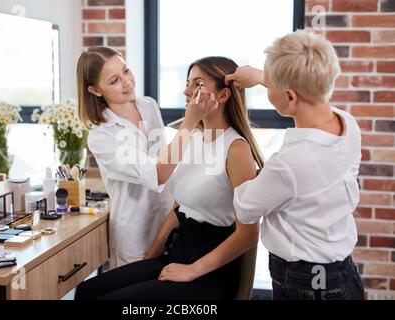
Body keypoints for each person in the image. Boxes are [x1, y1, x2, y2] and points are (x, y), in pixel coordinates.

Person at [74, 56, 263, 300]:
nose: (186, 91)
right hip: (178, 250)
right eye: (187, 83)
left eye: (197, 85)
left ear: (223, 95)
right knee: (87, 291)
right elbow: (179, 206)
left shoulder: (236, 149)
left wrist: (192, 270)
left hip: (210, 270)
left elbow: (249, 234)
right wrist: (150, 257)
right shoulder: (193, 136)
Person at [226, 30, 364, 300]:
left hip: (305, 287)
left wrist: (251, 175)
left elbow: (246, 207)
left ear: (290, 96)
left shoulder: (289, 163)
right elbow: (302, 89)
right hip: (343, 276)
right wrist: (262, 76)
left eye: (271, 86)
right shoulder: (348, 124)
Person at [77, 47, 217, 268]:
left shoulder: (148, 105)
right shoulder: (101, 136)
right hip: (135, 236)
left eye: (126, 71)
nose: (127, 82)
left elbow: (164, 156)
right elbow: (158, 174)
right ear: (95, 90)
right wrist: (189, 123)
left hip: (169, 223)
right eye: (114, 80)